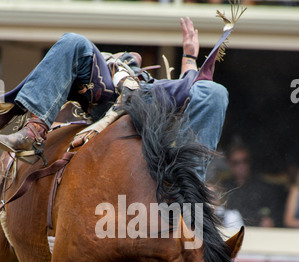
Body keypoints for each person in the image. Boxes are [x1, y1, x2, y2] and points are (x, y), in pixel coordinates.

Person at [0, 15, 234, 182]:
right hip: (111, 103)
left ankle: (189, 180)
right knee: (73, 40)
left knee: (214, 91)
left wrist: (189, 56)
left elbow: (193, 87)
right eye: (125, 57)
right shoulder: (104, 73)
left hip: (150, 104)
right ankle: (33, 133)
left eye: (129, 58)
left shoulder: (157, 85)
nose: (129, 57)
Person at [221, 140, 287, 227]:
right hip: (230, 235)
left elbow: (275, 215)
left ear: (250, 162)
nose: (241, 166)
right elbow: (215, 215)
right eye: (236, 163)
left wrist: (270, 220)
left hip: (258, 235)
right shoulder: (222, 187)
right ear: (229, 163)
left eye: (245, 161)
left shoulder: (264, 188)